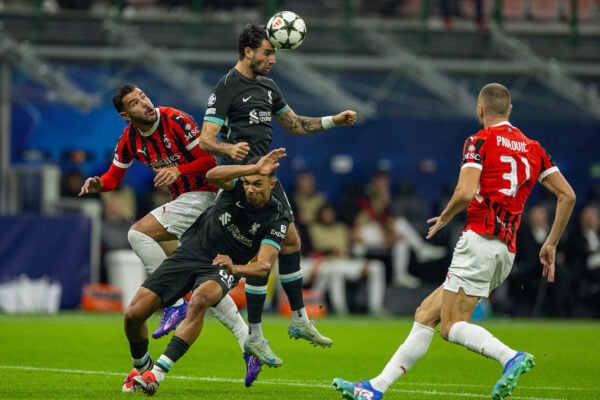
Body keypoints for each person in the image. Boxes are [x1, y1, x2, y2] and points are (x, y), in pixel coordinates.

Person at [333, 83, 576, 400]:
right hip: (505, 251)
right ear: (510, 110)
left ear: (480, 109)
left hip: (479, 241)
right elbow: (567, 195)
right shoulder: (533, 148)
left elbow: (464, 192)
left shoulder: (480, 140)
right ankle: (375, 389)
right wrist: (552, 243)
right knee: (425, 314)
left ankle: (510, 357)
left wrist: (445, 216)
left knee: (450, 326)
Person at [199, 22, 357, 366]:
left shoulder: (269, 88)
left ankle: (288, 323)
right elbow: (206, 139)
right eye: (268, 52)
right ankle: (272, 327)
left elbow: (296, 124)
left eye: (274, 53)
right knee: (272, 248)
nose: (274, 59)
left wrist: (335, 120)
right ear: (248, 52)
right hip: (244, 181)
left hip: (266, 176)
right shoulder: (227, 86)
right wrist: (231, 149)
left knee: (290, 242)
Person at [78, 84, 259, 386]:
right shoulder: (130, 139)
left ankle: (174, 304)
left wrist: (179, 171)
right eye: (135, 103)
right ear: (126, 115)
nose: (145, 104)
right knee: (206, 281)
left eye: (144, 97)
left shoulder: (175, 120)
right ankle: (248, 344)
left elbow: (209, 162)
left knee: (137, 234)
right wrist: (99, 184)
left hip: (204, 196)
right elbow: (113, 176)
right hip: (186, 207)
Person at [123, 149, 289, 396]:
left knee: (200, 299)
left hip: (222, 266)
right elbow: (212, 174)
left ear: (272, 184)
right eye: (247, 183)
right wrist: (251, 170)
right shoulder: (234, 186)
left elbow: (264, 266)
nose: (250, 189)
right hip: (190, 252)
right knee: (133, 315)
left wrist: (235, 268)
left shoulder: (277, 216)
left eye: (258, 184)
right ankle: (142, 366)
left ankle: (155, 375)